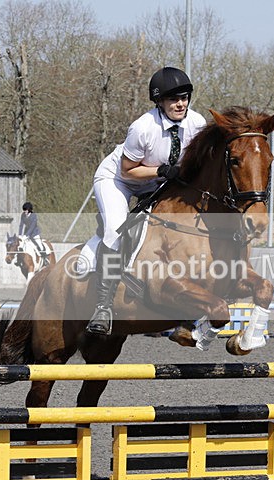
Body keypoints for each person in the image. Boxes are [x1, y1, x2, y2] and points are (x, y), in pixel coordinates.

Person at [86, 66, 207, 335]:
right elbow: (128, 171)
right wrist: (162, 170)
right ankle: (103, 306)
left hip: (158, 181)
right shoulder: (142, 128)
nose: (180, 104)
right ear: (159, 101)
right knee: (115, 230)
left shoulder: (197, 123)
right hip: (118, 179)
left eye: (184, 98)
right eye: (173, 99)